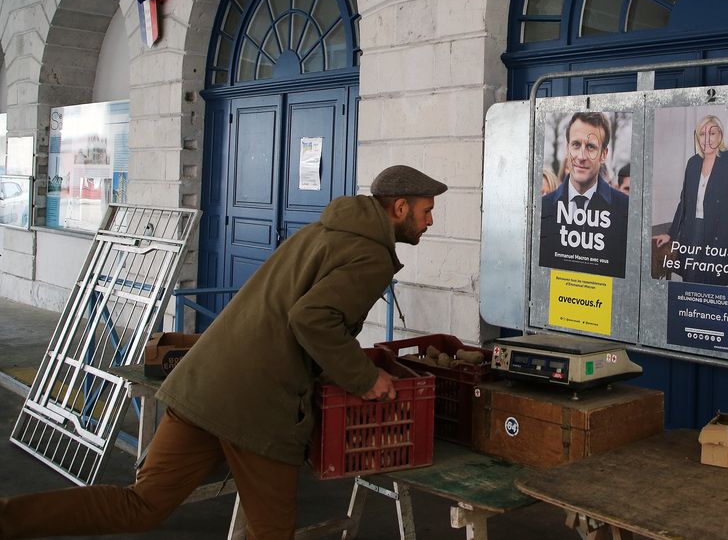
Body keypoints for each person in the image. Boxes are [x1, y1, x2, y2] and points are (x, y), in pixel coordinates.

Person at [0, 165, 447, 540]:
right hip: (256, 404)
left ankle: (9, 518)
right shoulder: (370, 255)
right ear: (399, 207)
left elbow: (299, 314)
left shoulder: (324, 231)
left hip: (203, 384)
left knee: (141, 504)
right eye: (426, 211)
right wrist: (366, 379)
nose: (429, 221)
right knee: (271, 532)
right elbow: (312, 319)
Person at [652, 114, 728, 285]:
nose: (707, 139)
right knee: (690, 286)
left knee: (713, 291)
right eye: (702, 134)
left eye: (712, 133)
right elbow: (683, 203)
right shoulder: (693, 163)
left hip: (720, 238)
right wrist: (670, 234)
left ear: (720, 135)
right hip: (692, 235)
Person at [540, 111, 629, 278]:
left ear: (603, 154)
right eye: (575, 145)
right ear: (567, 149)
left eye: (590, 147)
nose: (581, 157)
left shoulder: (625, 210)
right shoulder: (543, 208)